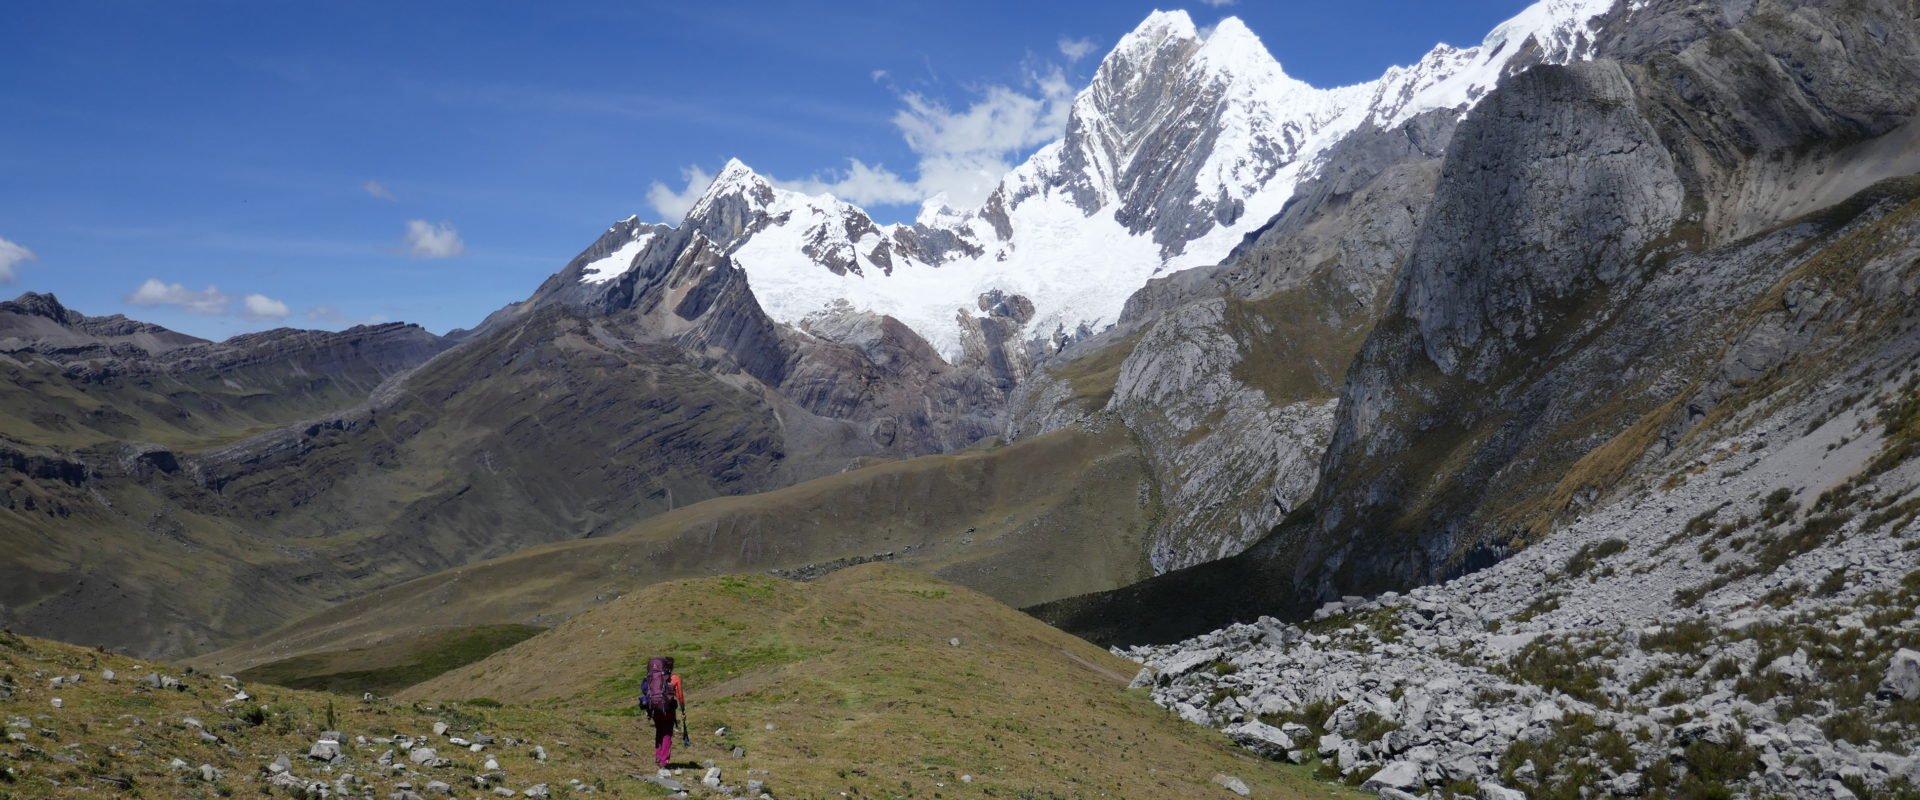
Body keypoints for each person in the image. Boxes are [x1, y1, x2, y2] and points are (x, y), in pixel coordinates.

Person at [646, 656, 687, 767]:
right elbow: (680, 696)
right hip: (668, 710)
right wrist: (683, 710)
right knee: (667, 733)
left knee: (659, 731)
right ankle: (664, 761)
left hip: (656, 708)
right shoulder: (675, 678)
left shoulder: (655, 677)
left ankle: (658, 757)